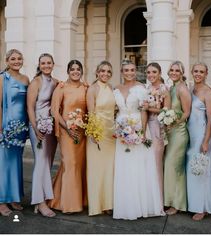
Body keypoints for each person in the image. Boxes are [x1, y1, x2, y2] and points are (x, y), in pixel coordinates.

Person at [113, 60, 165, 220]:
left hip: (138, 128)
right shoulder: (116, 88)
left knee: (139, 166)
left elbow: (144, 111)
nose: (129, 72)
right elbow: (115, 109)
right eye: (126, 70)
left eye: (132, 70)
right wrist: (117, 128)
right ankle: (126, 205)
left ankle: (143, 205)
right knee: (124, 166)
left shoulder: (141, 88)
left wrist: (141, 132)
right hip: (121, 129)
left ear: (136, 71)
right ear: (121, 72)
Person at [48, 60, 87, 213]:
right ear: (68, 71)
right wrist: (68, 129)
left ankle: (77, 199)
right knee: (70, 164)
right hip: (66, 132)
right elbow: (55, 111)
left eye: (78, 69)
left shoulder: (86, 87)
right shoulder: (61, 87)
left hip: (82, 132)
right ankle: (69, 204)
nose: (75, 71)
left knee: (79, 165)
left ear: (82, 71)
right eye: (72, 69)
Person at [27, 53, 58, 217]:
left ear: (53, 64)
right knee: (41, 162)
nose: (46, 65)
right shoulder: (36, 82)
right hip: (38, 126)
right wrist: (35, 128)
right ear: (39, 65)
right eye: (43, 63)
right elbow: (30, 108)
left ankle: (46, 196)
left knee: (48, 162)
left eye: (49, 63)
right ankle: (40, 202)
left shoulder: (55, 82)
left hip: (50, 127)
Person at [0, 49, 29, 216]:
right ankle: (2, 200)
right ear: (7, 60)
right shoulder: (3, 78)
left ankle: (13, 197)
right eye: (13, 59)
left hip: (21, 126)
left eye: (19, 58)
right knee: (4, 163)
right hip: (6, 125)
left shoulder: (26, 79)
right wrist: (0, 126)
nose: (16, 61)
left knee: (16, 162)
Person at [186, 62, 211, 221]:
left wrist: (205, 141)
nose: (198, 74)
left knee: (202, 171)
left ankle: (203, 207)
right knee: (192, 170)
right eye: (195, 71)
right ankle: (193, 204)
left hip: (203, 136)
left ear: (206, 73)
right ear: (192, 72)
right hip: (191, 136)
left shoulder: (208, 92)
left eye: (201, 71)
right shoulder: (191, 89)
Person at [86, 61, 116, 216]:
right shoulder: (93, 89)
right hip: (98, 133)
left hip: (111, 133)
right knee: (97, 168)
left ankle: (108, 203)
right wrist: (92, 133)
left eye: (108, 71)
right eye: (102, 71)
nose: (105, 74)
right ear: (97, 72)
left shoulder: (111, 88)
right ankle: (97, 204)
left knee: (109, 168)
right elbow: (91, 112)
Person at [142, 62, 171, 213]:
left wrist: (149, 108)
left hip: (158, 128)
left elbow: (166, 111)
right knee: (148, 164)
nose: (151, 75)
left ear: (160, 73)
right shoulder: (147, 89)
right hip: (147, 127)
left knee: (157, 164)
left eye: (154, 72)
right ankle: (148, 199)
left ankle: (159, 202)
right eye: (148, 72)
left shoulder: (164, 89)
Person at [164, 61, 191, 215]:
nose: (174, 72)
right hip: (171, 132)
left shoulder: (182, 89)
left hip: (179, 133)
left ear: (182, 73)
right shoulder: (172, 88)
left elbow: (186, 112)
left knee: (175, 167)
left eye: (177, 70)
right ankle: (170, 200)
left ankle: (178, 204)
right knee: (169, 166)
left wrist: (173, 123)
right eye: (172, 70)